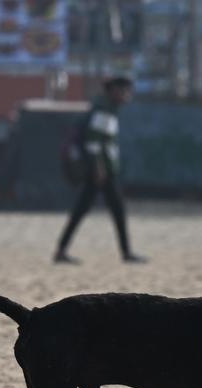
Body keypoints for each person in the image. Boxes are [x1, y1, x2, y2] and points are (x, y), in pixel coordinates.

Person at [54, 76, 145, 264]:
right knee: (114, 210)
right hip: (101, 171)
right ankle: (126, 253)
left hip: (101, 170)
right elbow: (93, 142)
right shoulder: (103, 111)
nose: (126, 95)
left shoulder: (108, 109)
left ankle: (62, 250)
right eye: (123, 91)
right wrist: (99, 168)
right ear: (113, 91)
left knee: (87, 209)